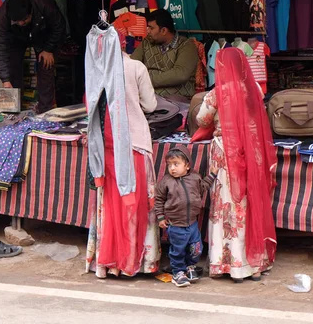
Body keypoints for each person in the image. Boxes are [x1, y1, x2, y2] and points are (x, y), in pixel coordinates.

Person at [196, 47, 277, 283]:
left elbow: (202, 119)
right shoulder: (253, 91)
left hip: (225, 151)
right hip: (251, 150)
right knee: (249, 203)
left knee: (226, 205)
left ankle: (230, 264)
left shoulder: (216, 94)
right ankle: (255, 263)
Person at [85, 36, 161, 278]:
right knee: (134, 202)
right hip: (134, 140)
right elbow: (150, 105)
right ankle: (135, 261)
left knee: (110, 203)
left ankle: (109, 263)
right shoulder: (136, 67)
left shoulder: (96, 68)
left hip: (106, 143)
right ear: (125, 46)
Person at [0, 0, 66, 113]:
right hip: (15, 38)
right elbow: (0, 47)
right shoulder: (3, 16)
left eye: (24, 19)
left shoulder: (44, 4)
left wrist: (48, 49)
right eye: (18, 21)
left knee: (46, 65)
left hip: (43, 34)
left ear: (31, 11)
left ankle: (46, 110)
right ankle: (14, 112)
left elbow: (59, 26)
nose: (21, 23)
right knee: (12, 70)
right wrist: (5, 79)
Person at [154, 146, 216, 287]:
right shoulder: (166, 182)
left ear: (187, 165)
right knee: (178, 250)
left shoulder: (195, 178)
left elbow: (203, 186)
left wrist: (213, 174)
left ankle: (190, 267)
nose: (172, 168)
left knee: (196, 248)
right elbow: (159, 200)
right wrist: (160, 217)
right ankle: (178, 273)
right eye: (169, 165)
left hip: (192, 223)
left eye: (176, 164)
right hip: (176, 224)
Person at [131, 9, 199, 99]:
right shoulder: (147, 42)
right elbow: (132, 65)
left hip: (178, 101)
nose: (147, 31)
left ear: (163, 30)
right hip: (148, 98)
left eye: (151, 28)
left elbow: (180, 74)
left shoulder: (186, 45)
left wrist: (146, 81)